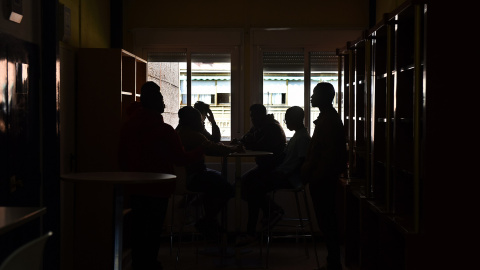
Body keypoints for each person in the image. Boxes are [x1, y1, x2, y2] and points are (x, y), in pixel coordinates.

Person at [118, 81, 204, 270]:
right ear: (154, 102)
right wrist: (201, 150)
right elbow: (180, 158)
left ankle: (139, 263)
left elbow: (121, 156)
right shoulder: (164, 130)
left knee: (138, 228)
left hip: (133, 186)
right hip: (158, 187)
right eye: (161, 98)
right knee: (153, 229)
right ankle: (150, 263)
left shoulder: (128, 127)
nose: (164, 103)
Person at [176, 105, 244, 240]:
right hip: (193, 177)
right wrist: (235, 148)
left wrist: (211, 123)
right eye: (200, 120)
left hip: (182, 178)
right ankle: (207, 221)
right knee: (228, 189)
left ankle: (209, 221)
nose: (202, 122)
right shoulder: (195, 136)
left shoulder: (179, 133)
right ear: (194, 121)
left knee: (214, 183)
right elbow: (215, 148)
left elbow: (214, 140)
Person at [301, 82, 348, 270]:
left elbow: (327, 155)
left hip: (323, 179)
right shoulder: (327, 117)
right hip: (322, 178)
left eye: (314, 94)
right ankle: (332, 260)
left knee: (327, 220)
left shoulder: (329, 121)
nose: (311, 97)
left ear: (324, 97)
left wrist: (315, 176)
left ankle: (333, 262)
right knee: (326, 220)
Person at [232, 104, 287, 246]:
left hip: (273, 170)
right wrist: (241, 142)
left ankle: (252, 232)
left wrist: (244, 143)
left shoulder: (272, 128)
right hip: (265, 168)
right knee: (239, 187)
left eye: (255, 115)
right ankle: (272, 211)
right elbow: (246, 140)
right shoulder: (260, 126)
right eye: (251, 116)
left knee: (250, 191)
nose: (253, 118)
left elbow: (259, 146)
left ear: (262, 115)